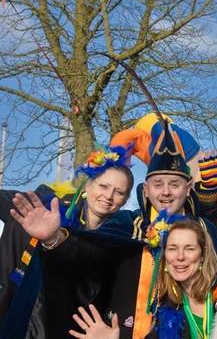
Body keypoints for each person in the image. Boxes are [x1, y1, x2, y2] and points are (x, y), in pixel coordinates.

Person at [11, 120, 217, 337]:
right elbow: (89, 252)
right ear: (146, 190)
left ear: (187, 189)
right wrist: (54, 238)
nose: (165, 192)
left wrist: (210, 198)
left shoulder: (205, 230)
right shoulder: (126, 223)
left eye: (174, 184)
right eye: (158, 184)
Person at [0, 145, 133, 338]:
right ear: (88, 185)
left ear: (125, 199)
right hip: (26, 321)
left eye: (119, 192)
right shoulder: (50, 208)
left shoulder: (121, 234)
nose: (109, 196)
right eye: (103, 186)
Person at [67, 218, 217, 339]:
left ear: (202, 254)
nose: (180, 257)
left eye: (189, 248)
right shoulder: (165, 310)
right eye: (172, 248)